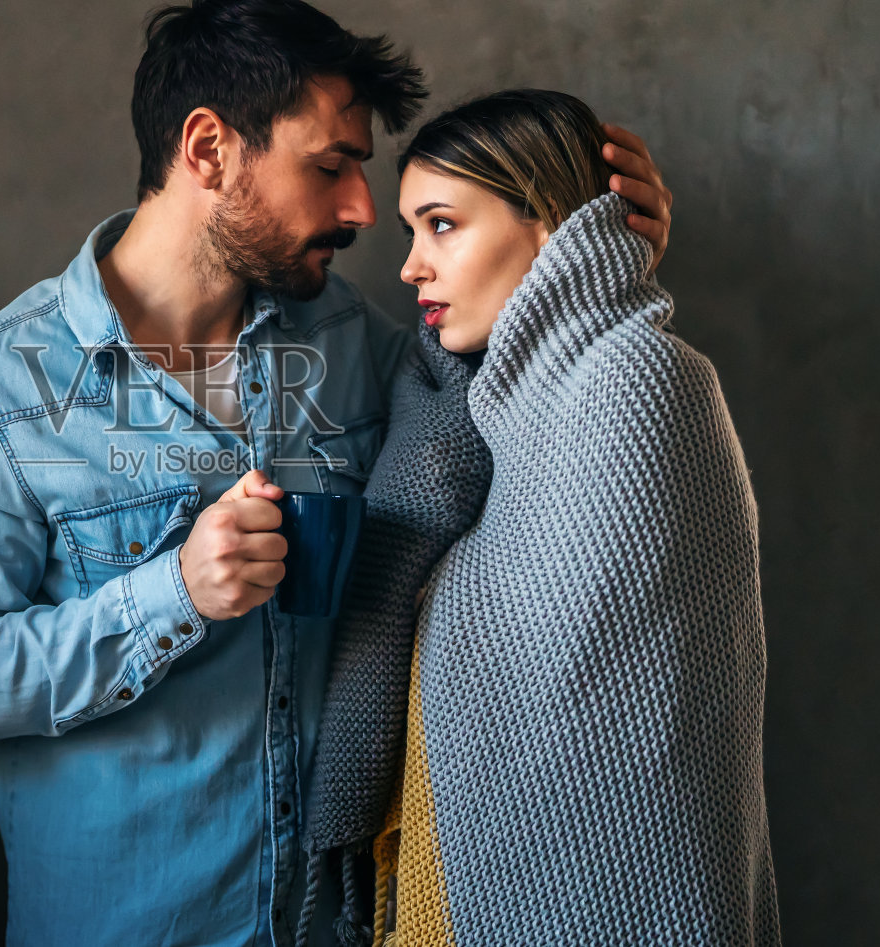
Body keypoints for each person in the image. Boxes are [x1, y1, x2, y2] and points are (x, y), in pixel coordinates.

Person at [0, 0, 673, 946]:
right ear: (209, 148)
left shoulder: (359, 345)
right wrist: (174, 592)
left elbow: (525, 401)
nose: (360, 209)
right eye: (332, 166)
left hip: (337, 924)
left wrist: (596, 258)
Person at [302, 90, 777, 946]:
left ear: (554, 221)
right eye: (413, 232)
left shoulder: (640, 382)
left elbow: (616, 709)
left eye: (441, 224)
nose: (410, 265)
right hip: (440, 881)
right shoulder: (477, 404)